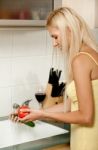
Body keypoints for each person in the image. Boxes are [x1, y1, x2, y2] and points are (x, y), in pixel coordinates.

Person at [10, 7, 98, 150]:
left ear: (69, 30)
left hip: (86, 142)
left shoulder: (80, 60)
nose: (54, 43)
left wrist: (41, 113)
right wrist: (34, 113)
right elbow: (69, 106)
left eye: (55, 36)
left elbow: (85, 116)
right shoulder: (91, 54)